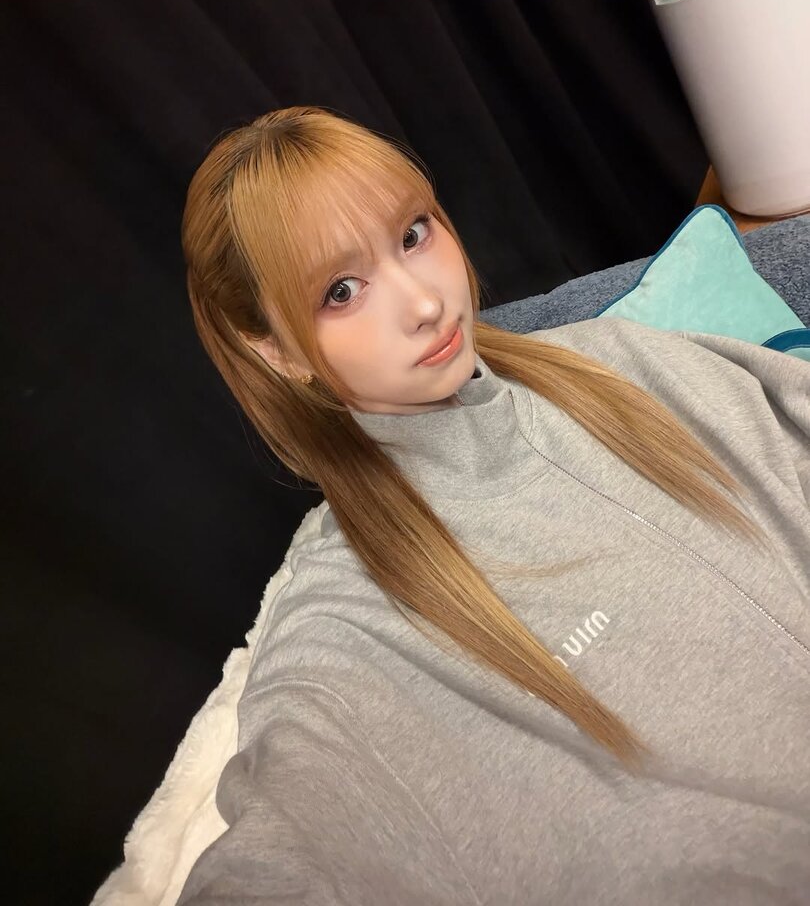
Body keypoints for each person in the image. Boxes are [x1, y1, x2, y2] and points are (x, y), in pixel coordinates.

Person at [177, 106, 809, 905]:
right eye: (342, 291)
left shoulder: (619, 359)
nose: (424, 302)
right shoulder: (341, 627)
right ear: (274, 349)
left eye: (413, 234)